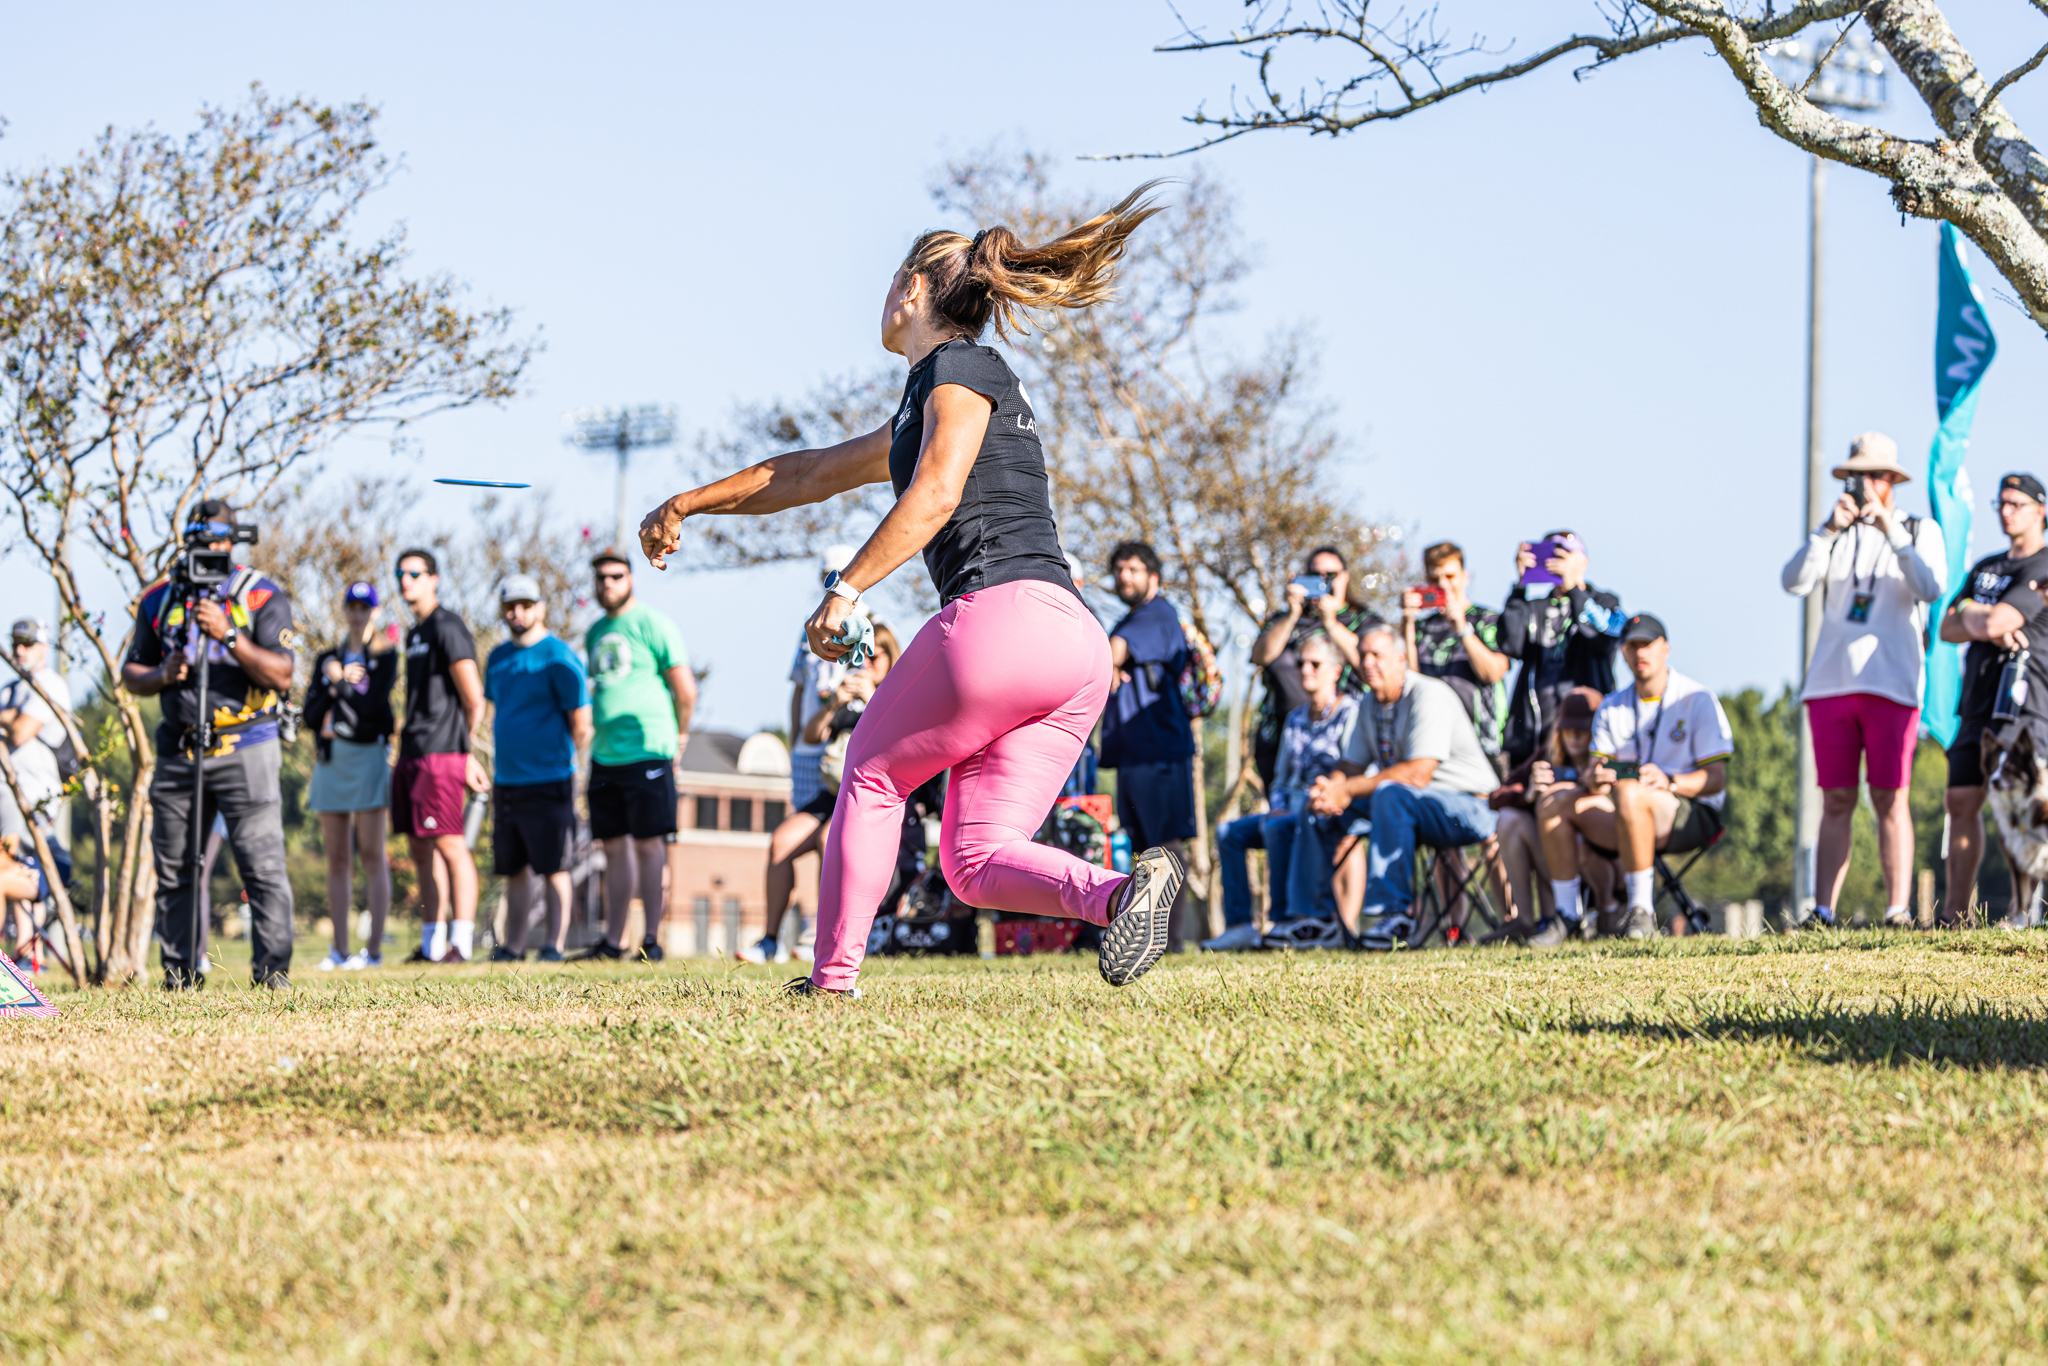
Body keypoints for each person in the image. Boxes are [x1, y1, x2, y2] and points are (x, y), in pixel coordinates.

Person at [638, 184, 1187, 996]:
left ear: (912, 288)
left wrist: (847, 589)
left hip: (1003, 619)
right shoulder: (927, 396)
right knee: (973, 861)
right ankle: (1121, 897)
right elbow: (809, 472)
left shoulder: (960, 369)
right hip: (1069, 650)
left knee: (869, 771)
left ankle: (830, 982)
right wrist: (688, 503)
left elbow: (934, 493)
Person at [121, 499, 298, 989]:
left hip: (247, 746)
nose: (210, 551)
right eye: (201, 542)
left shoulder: (260, 596)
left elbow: (284, 673)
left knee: (261, 865)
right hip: (179, 751)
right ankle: (181, 973)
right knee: (176, 868)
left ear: (233, 543)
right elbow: (130, 672)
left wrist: (230, 635)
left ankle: (272, 974)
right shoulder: (160, 598)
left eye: (219, 542)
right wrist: (162, 673)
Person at [1781, 432, 1947, 929]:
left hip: (1892, 683)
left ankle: (1897, 909)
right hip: (1831, 683)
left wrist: (1890, 530)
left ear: (1894, 480)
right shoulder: (1835, 533)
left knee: (1889, 796)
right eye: (1859, 476)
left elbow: (1931, 586)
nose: (1866, 485)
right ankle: (1824, 909)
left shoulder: (1919, 529)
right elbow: (1794, 582)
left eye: (1876, 475)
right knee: (1835, 798)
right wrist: (1826, 531)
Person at [1308, 625, 1502, 950]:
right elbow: (1351, 766)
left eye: (1377, 655)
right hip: (1410, 805)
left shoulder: (1429, 694)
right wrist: (1329, 790)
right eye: (1363, 655)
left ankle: (1394, 915)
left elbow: (1418, 773)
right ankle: (1311, 920)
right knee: (1312, 807)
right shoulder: (1369, 704)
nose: (1368, 663)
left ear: (1401, 660)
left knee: (1390, 793)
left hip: (1468, 807)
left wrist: (1348, 787)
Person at [1540, 614, 1732, 938]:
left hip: (1689, 811)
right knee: (1552, 800)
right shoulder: (1612, 704)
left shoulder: (1697, 698)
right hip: (1623, 811)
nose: (1639, 653)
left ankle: (1640, 912)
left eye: (1647, 644)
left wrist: (1669, 781)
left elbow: (1716, 779)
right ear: (1623, 653)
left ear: (1665, 649)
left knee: (1631, 792)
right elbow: (1595, 770)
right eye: (1631, 646)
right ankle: (1566, 916)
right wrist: (1595, 779)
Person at [742, 622, 903, 965]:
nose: (868, 663)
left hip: (869, 795)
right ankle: (770, 940)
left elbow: (898, 738)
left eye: (877, 656)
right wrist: (834, 705)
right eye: (864, 655)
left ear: (891, 660)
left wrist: (871, 698)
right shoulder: (845, 695)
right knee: (781, 842)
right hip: (830, 793)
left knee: (829, 839)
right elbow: (812, 736)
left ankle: (821, 932)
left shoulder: (894, 697)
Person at [1939, 472, 2048, 928]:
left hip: (2023, 704)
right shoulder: (1986, 566)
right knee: (1961, 800)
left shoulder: (2044, 567)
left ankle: (2022, 913)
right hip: (1977, 702)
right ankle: (1953, 917)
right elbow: (1946, 628)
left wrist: (1973, 615)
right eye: (2000, 503)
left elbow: (1994, 620)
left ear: (2041, 510)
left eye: (2016, 504)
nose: (2006, 511)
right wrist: (1973, 616)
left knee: (2022, 807)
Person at [1205, 633, 1359, 952]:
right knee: (1229, 832)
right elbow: (1281, 779)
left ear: (1336, 671)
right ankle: (1240, 926)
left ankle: (1285, 921)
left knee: (1277, 826)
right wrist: (1277, 803)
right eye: (1300, 663)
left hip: (1326, 810)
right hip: (1289, 808)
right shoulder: (1295, 718)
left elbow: (1354, 771)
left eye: (1315, 664)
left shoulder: (1351, 713)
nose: (1305, 670)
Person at [581, 548, 696, 962]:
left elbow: (685, 689)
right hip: (605, 755)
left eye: (615, 576)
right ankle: (613, 942)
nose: (607, 584)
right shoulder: (593, 632)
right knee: (612, 849)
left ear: (630, 578)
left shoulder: (653, 624)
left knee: (650, 846)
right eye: (601, 578)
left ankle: (650, 940)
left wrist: (680, 736)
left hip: (649, 751)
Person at [484, 574, 593, 962]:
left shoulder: (558, 656)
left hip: (551, 780)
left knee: (555, 867)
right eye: (510, 606)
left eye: (526, 605)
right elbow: (495, 713)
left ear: (540, 608)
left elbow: (581, 723)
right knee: (514, 869)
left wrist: (560, 762)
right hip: (507, 781)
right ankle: (512, 948)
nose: (517, 612)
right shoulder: (497, 659)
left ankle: (553, 946)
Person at [391, 548, 489, 965]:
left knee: (451, 845)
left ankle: (460, 944)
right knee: (419, 848)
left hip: (443, 755)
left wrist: (464, 754)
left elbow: (474, 699)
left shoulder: (448, 626)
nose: (405, 581)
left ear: (433, 578)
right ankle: (432, 942)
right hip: (412, 754)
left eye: (414, 573)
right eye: (400, 574)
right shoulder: (415, 633)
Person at [1101, 541, 1199, 951]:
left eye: (1134, 569)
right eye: (1120, 569)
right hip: (1135, 754)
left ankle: (1171, 941)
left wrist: (1111, 664)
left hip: (1159, 750)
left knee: (1166, 846)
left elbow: (1111, 655)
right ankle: (1153, 938)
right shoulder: (1134, 618)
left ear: (1153, 577)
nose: (1125, 576)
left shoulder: (1157, 614)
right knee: (1145, 850)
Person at [303, 581, 400, 971]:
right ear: (344, 610)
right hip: (331, 761)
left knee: (373, 856)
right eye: (352, 605)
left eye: (365, 606)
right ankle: (339, 951)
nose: (358, 613)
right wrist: (332, 679)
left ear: (375, 611)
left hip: (368, 757)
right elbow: (311, 714)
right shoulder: (327, 657)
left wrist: (339, 681)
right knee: (337, 860)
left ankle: (373, 952)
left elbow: (370, 708)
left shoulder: (387, 656)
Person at [1488, 687, 1611, 945]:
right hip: (1553, 861)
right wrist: (1529, 793)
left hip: (1599, 864)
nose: (1575, 736)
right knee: (1509, 819)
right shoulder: (1548, 755)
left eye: (1583, 728)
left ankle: (1586, 916)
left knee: (1567, 827)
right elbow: (1498, 796)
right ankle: (1526, 921)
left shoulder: (1612, 759)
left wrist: (1594, 788)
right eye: (1568, 728)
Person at [1497, 532, 1625, 767]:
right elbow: (1509, 645)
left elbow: (1604, 638)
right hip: (1534, 736)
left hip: (1588, 734)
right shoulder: (1533, 607)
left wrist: (1574, 589)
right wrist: (1519, 586)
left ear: (1584, 561)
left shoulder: (1606, 602)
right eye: (1550, 553)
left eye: (1565, 553)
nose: (1557, 559)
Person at [1248, 546, 1372, 788]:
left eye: (1331, 575)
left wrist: (1331, 623)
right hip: (1283, 735)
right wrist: (1293, 614)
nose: (1323, 582)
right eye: (1315, 576)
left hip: (1341, 736)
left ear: (1345, 578)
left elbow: (1370, 668)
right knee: (1282, 807)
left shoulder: (1363, 620)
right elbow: (1259, 656)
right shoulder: (1282, 620)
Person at [0, 619, 73, 966]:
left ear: (44, 647)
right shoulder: (11, 688)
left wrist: (9, 718)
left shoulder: (48, 683)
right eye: (15, 643)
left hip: (29, 797)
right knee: (17, 871)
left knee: (7, 869)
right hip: (8, 796)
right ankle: (30, 956)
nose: (19, 650)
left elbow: (20, 732)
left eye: (28, 643)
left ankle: (21, 958)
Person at [1403, 541, 1512, 771]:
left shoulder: (1488, 619)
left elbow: (1492, 672)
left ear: (1465, 576)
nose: (1443, 584)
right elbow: (1410, 681)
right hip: (1432, 742)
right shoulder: (1422, 626)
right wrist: (1407, 623)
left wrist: (1462, 629)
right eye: (1434, 579)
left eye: (1450, 576)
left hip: (1482, 745)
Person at [790, 545, 855, 810]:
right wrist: (794, 742)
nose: (833, 583)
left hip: (846, 751)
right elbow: (798, 688)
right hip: (807, 751)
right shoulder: (809, 627)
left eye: (841, 575)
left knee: (832, 840)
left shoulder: (873, 624)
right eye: (828, 576)